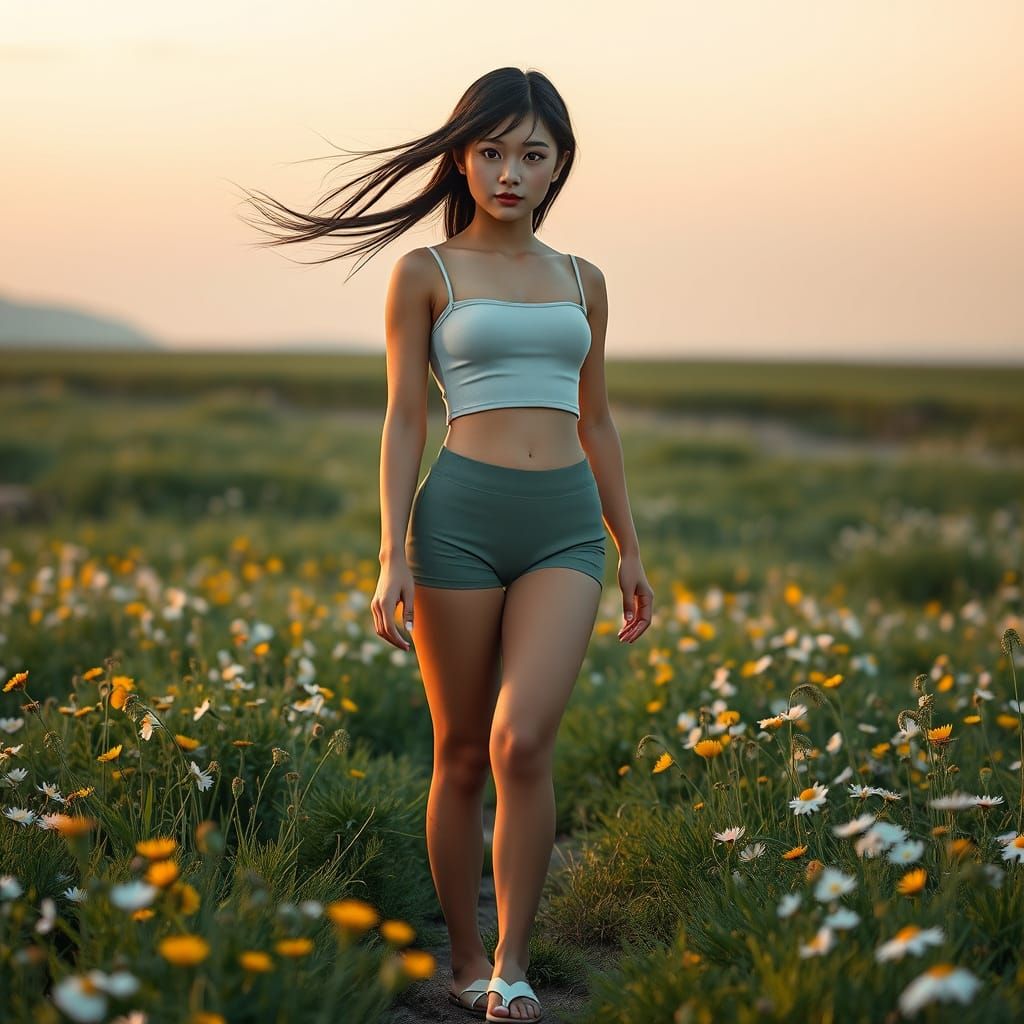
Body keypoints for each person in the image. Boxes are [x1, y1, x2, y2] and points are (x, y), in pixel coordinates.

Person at [238, 66, 654, 1022]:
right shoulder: (423, 273)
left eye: (533, 155)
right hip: (457, 525)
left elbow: (598, 423)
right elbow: (399, 422)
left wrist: (627, 544)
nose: (512, 172)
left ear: (559, 169)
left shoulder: (584, 281)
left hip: (562, 529)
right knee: (463, 752)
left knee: (523, 740)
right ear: (463, 159)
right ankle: (464, 955)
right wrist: (391, 553)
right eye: (493, 151)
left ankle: (513, 961)